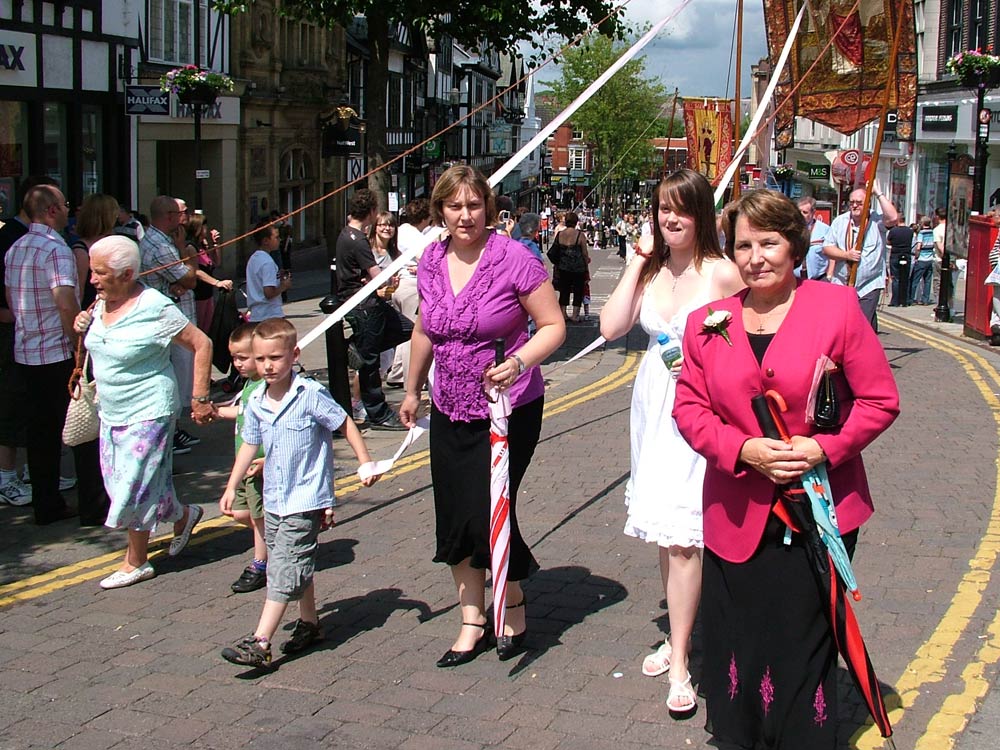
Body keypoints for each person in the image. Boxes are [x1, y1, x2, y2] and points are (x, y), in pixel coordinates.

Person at [672, 189, 899, 749]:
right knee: (739, 637)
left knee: (802, 640)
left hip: (818, 510)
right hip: (736, 510)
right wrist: (740, 449)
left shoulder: (836, 308)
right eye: (743, 245)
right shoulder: (707, 323)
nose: (756, 257)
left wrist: (825, 448)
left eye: (768, 242)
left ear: (794, 244)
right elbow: (689, 409)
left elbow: (879, 400)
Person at [399, 165, 566, 667]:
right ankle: (472, 618)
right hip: (449, 404)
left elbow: (553, 326)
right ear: (441, 212)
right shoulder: (431, 259)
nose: (465, 215)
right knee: (455, 513)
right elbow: (426, 329)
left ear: (488, 210)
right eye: (455, 206)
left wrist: (518, 362)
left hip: (507, 409)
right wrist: (410, 389)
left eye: (474, 206)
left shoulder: (513, 257)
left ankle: (510, 601)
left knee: (487, 506)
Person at [599, 169, 744, 714]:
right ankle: (679, 635)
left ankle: (681, 658)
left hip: (701, 411)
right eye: (663, 208)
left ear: (701, 214)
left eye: (681, 209)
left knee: (686, 537)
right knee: (667, 533)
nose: (670, 218)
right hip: (652, 406)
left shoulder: (722, 274)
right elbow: (612, 327)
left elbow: (750, 343)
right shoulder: (652, 269)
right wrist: (637, 259)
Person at [219, 318, 380, 667]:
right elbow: (251, 442)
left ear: (294, 355)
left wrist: (364, 461)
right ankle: (309, 622)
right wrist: (232, 484)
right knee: (291, 562)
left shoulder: (309, 395)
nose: (267, 366)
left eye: (275, 358)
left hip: (305, 499)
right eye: (260, 359)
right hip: (275, 497)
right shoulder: (258, 399)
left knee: (284, 568)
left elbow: (344, 423)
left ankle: (260, 641)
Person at [72, 235, 214, 585]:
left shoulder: (154, 305)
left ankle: (136, 561)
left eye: (100, 273)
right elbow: (96, 343)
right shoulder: (100, 302)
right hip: (110, 409)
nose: (92, 279)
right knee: (121, 482)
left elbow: (202, 343)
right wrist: (79, 325)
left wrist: (199, 397)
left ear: (127, 274)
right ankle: (182, 516)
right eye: (92, 272)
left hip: (149, 408)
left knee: (132, 487)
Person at [5, 184, 109, 526]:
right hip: (56, 352)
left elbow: (11, 299)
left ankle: (46, 502)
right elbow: (66, 301)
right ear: (51, 210)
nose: (69, 209)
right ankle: (93, 504)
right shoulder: (56, 249)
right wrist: (77, 346)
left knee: (41, 432)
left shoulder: (16, 247)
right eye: (65, 204)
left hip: (26, 350)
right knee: (83, 426)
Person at [0, 176, 57, 508]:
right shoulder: (11, 238)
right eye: (60, 205)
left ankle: (30, 473)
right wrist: (12, 314)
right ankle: (7, 476)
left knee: (31, 407)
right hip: (15, 333)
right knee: (12, 403)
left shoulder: (26, 239)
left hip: (30, 335)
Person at [336, 189, 408, 430]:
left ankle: (358, 347)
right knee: (369, 362)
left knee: (406, 328)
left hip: (365, 301)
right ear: (371, 212)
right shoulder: (357, 240)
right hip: (364, 305)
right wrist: (391, 277)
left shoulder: (348, 234)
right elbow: (379, 276)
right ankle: (378, 413)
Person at [139, 196, 202, 455]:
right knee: (175, 381)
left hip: (169, 315)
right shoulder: (162, 245)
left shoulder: (157, 241)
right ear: (168, 216)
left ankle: (173, 431)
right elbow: (190, 280)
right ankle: (169, 436)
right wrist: (188, 255)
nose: (183, 218)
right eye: (179, 214)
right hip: (168, 323)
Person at [216, 323, 268, 593]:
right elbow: (242, 412)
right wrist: (217, 412)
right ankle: (278, 536)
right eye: (234, 357)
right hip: (244, 465)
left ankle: (261, 564)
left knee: (258, 518)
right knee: (240, 512)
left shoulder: (267, 388)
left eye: (242, 358)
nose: (236, 364)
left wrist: (267, 460)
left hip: (259, 466)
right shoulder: (249, 386)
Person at [822, 185, 898, 330]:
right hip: (842, 283)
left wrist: (878, 193)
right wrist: (846, 254)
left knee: (861, 326)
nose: (854, 205)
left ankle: (860, 350)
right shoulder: (840, 221)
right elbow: (827, 248)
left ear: (868, 203)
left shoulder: (877, 221)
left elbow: (893, 218)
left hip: (869, 285)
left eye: (859, 202)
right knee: (840, 324)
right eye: (852, 202)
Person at [386, 198, 437, 388]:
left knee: (402, 330)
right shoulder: (414, 235)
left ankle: (397, 372)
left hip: (399, 287)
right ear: (425, 217)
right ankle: (411, 379)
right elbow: (425, 258)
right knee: (413, 334)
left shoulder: (402, 230)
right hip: (410, 287)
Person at [368, 211, 401, 380]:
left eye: (391, 225)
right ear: (375, 228)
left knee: (386, 358)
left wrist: (394, 286)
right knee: (370, 359)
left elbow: (392, 284)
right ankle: (358, 401)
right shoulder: (368, 251)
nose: (387, 228)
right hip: (371, 306)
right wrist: (376, 291)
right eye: (383, 224)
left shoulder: (395, 253)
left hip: (388, 305)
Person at [187, 214, 233, 332]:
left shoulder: (202, 245)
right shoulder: (191, 248)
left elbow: (216, 262)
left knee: (209, 327)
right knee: (200, 327)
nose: (206, 229)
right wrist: (217, 282)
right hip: (199, 294)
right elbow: (196, 271)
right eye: (204, 227)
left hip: (208, 293)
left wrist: (215, 244)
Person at [548, 211, 591, 323]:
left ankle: (563, 313)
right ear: (576, 222)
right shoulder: (579, 235)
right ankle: (575, 315)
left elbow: (553, 251)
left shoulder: (560, 234)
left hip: (563, 267)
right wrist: (586, 264)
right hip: (578, 268)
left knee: (564, 290)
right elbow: (585, 253)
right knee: (578, 290)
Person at [245, 220, 291, 322]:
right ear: (266, 241)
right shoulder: (267, 262)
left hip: (256, 315)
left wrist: (277, 275)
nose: (280, 239)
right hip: (270, 314)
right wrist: (284, 285)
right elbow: (269, 293)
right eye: (276, 237)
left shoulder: (254, 258)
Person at [794, 197, 831, 281]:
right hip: (796, 278)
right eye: (799, 212)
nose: (801, 215)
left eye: (805, 212)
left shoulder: (825, 230)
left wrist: (829, 275)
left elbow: (831, 255)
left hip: (819, 278)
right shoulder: (791, 228)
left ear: (813, 212)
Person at [886, 215, 914, 307]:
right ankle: (905, 301)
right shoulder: (910, 231)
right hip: (906, 255)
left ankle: (895, 301)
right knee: (905, 278)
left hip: (895, 255)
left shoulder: (893, 231)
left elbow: (888, 242)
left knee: (896, 279)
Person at [910, 216, 935, 305]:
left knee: (915, 280)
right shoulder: (933, 232)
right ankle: (925, 300)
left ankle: (911, 299)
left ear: (922, 223)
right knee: (927, 281)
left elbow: (919, 246)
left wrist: (916, 256)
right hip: (930, 259)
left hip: (922, 259)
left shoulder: (921, 233)